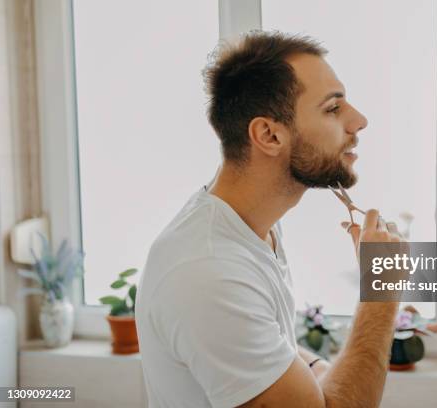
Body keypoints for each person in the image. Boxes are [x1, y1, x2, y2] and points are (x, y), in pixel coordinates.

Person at [136, 30, 406, 408]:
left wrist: (316, 377)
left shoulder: (252, 227)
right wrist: (381, 293)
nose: (359, 121)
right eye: (332, 108)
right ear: (269, 135)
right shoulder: (208, 271)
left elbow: (277, 348)